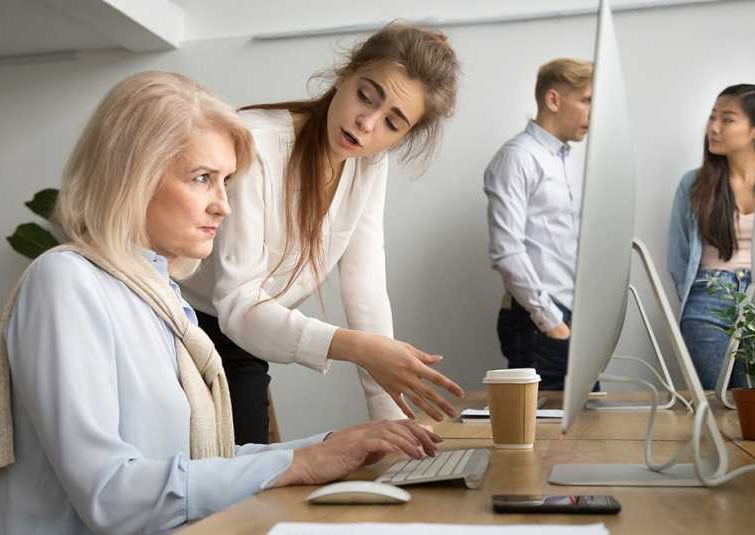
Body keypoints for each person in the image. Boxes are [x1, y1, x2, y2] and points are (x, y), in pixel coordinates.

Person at [0, 71, 442, 534]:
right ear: (133, 174)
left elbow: (204, 461)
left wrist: (334, 446)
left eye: (225, 181)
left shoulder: (159, 297)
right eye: (203, 178)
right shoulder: (65, 282)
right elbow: (110, 494)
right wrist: (302, 462)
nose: (223, 205)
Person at [181, 22, 464, 444]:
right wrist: (353, 347)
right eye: (366, 96)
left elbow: (365, 291)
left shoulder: (369, 164)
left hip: (248, 337)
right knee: (224, 484)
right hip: (185, 325)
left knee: (252, 475)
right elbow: (238, 302)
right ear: (345, 75)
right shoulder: (256, 144)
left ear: (404, 137)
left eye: (392, 122)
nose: (367, 123)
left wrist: (395, 422)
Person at [668, 84, 755, 390]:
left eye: (727, 119)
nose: (713, 127)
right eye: (713, 117)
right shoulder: (693, 184)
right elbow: (679, 257)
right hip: (708, 298)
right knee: (721, 402)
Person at [483, 58, 593, 391]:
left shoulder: (565, 161)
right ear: (553, 100)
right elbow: (507, 251)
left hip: (568, 315)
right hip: (539, 320)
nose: (593, 113)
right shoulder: (517, 157)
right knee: (546, 438)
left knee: (585, 429)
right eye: (587, 100)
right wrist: (551, 322)